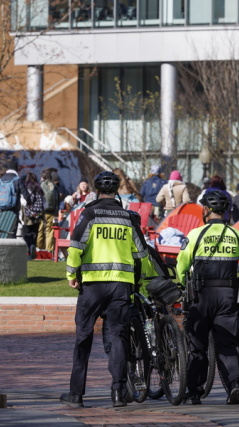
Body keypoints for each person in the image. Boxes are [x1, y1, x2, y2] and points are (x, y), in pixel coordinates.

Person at [60, 171, 151, 408]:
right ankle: (118, 393)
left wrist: (71, 275)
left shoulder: (89, 213)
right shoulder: (127, 217)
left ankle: (76, 394)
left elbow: (76, 247)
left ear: (96, 189)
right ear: (118, 190)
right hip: (121, 286)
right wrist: (144, 278)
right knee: (119, 336)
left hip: (92, 286)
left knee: (83, 337)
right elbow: (142, 253)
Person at [177, 190, 239, 405]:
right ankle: (235, 386)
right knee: (227, 344)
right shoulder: (235, 234)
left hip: (202, 297)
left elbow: (182, 264)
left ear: (206, 210)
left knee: (197, 345)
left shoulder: (196, 234)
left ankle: (194, 392)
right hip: (228, 296)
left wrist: (183, 284)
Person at [0, 168, 31, 238]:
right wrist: (29, 202)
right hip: (14, 207)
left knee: (3, 224)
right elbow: (25, 193)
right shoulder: (17, 180)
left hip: (2, 207)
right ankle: (11, 241)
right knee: (13, 226)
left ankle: (2, 239)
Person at [22, 172, 44, 259]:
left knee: (26, 233)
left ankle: (29, 248)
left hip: (29, 215)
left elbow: (25, 201)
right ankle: (33, 248)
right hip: (38, 214)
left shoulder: (27, 188)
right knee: (34, 233)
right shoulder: (39, 188)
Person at [37, 168, 60, 253]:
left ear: (42, 177)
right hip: (51, 212)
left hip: (41, 212)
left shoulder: (40, 185)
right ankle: (49, 250)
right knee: (50, 231)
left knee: (40, 230)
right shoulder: (53, 186)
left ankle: (39, 250)